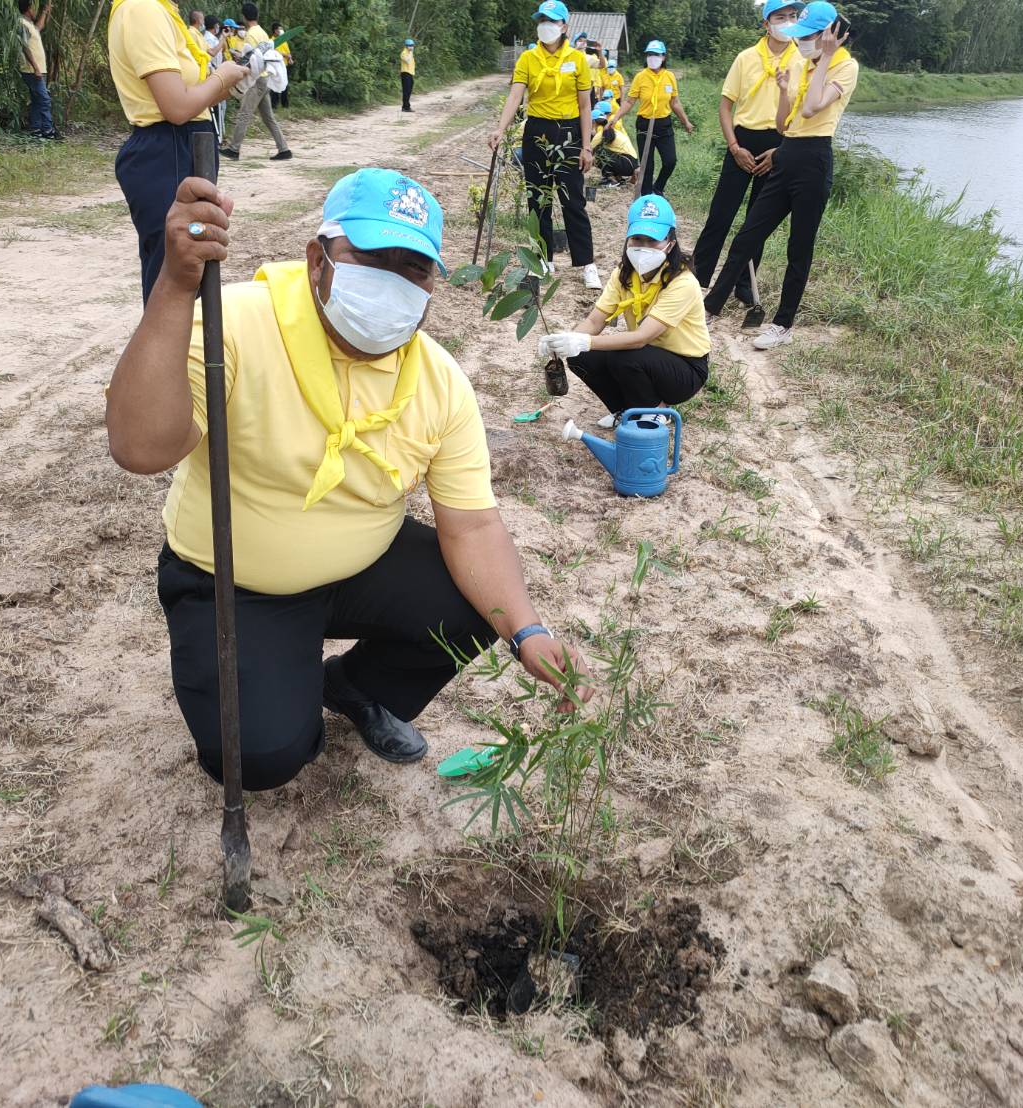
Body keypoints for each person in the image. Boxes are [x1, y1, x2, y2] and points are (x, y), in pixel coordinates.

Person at [105, 168, 588, 788]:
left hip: (361, 564)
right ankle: (277, 680)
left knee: (477, 604)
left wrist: (528, 631)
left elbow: (472, 525)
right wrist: (175, 287)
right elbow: (140, 446)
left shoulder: (441, 383)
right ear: (318, 258)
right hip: (233, 579)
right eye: (370, 257)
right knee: (263, 756)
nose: (391, 282)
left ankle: (353, 686)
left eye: (412, 269)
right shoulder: (235, 323)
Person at [703, 0, 857, 349]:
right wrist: (787, 87)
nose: (801, 42)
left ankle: (782, 324)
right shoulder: (803, 65)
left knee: (798, 247)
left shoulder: (846, 68)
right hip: (787, 154)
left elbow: (814, 106)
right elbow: (783, 123)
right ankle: (710, 308)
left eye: (808, 35)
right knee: (747, 235)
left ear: (829, 35)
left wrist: (827, 60)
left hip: (814, 160)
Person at [109, 0, 244, 302]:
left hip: (185, 144)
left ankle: (186, 349)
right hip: (167, 148)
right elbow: (177, 107)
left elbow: (192, 97)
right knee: (173, 282)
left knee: (191, 271)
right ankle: (171, 351)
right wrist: (222, 77)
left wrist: (227, 80)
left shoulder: (162, 11)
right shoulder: (142, 9)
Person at [539, 194, 709, 428]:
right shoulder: (623, 275)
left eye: (653, 241)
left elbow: (641, 338)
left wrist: (585, 341)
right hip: (645, 355)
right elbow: (595, 320)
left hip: (685, 368)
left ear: (670, 242)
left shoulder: (682, 282)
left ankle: (655, 411)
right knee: (581, 357)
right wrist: (567, 341)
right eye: (638, 239)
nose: (644, 247)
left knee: (626, 357)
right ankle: (626, 410)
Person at [692, 0, 802, 299]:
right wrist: (734, 145)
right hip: (742, 141)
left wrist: (781, 151)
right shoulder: (746, 58)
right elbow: (726, 106)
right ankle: (698, 276)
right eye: (781, 17)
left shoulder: (802, 59)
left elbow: (803, 112)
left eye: (793, 16)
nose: (788, 22)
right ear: (766, 23)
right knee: (721, 213)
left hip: (779, 145)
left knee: (758, 219)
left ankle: (742, 284)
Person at [489, 1, 599, 289]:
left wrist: (587, 146)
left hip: (569, 132)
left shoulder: (578, 59)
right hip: (537, 130)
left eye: (551, 20)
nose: (545, 25)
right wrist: (501, 128)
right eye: (541, 20)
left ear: (564, 26)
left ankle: (587, 263)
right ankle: (543, 259)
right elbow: (515, 96)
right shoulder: (528, 58)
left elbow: (585, 106)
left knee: (572, 199)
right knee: (538, 199)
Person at [606, 40, 693, 197]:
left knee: (670, 161)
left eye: (656, 54)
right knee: (647, 164)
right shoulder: (640, 77)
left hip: (664, 123)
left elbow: (675, 102)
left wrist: (685, 121)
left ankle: (658, 188)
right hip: (645, 123)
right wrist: (615, 117)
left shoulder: (670, 77)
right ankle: (646, 196)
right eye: (650, 54)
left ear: (663, 57)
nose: (653, 57)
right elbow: (629, 101)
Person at [219, 2, 292, 161]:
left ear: (244, 17)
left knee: (244, 114)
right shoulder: (263, 33)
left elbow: (252, 61)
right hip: (265, 78)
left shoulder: (250, 35)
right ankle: (284, 149)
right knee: (268, 117)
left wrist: (239, 60)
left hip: (256, 79)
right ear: (257, 16)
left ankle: (234, 149)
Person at [17, 0, 56, 140]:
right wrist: (36, 68)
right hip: (31, 70)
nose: (35, 10)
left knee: (36, 100)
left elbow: (39, 27)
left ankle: (35, 129)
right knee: (44, 99)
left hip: (38, 69)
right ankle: (47, 129)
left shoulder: (29, 24)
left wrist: (46, 11)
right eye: (34, 7)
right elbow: (25, 47)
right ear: (28, 8)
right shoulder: (21, 24)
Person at [589, 99, 636, 186]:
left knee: (599, 153)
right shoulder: (609, 129)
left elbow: (589, 152)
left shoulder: (601, 134)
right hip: (631, 163)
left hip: (627, 164)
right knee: (605, 151)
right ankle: (617, 178)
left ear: (593, 122)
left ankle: (611, 179)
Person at [202, 15, 226, 135]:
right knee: (215, 104)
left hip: (217, 69)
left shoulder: (213, 38)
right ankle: (215, 133)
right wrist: (223, 38)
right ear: (215, 26)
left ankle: (220, 132)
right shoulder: (208, 39)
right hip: (212, 71)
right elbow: (213, 53)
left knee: (221, 106)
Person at [270, 22, 291, 109]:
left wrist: (290, 58)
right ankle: (274, 104)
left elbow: (288, 51)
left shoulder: (283, 40)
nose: (282, 30)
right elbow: (274, 51)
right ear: (275, 31)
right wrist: (285, 55)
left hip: (284, 65)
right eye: (280, 29)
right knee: (275, 85)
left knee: (285, 85)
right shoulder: (272, 41)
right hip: (276, 65)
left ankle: (285, 104)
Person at [400, 38, 416, 112]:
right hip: (405, 73)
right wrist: (410, 52)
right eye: (410, 45)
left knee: (409, 91)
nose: (411, 47)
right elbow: (408, 61)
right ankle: (406, 107)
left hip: (410, 73)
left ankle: (405, 106)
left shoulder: (409, 52)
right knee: (406, 91)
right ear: (406, 46)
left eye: (412, 45)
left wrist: (411, 52)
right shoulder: (404, 53)